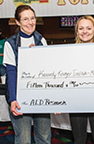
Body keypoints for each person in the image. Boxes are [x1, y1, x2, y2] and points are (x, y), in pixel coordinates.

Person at [3, 5, 51, 144]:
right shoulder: (10, 43)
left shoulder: (41, 40)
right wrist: (13, 99)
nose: (30, 22)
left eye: (32, 18)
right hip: (19, 97)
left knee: (44, 137)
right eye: (25, 19)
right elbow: (11, 73)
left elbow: (48, 70)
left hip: (40, 96)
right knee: (23, 139)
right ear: (18, 22)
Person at [69, 15, 94, 144]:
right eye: (81, 28)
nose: (84, 31)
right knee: (79, 139)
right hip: (77, 100)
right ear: (77, 31)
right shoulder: (69, 52)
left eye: (89, 28)